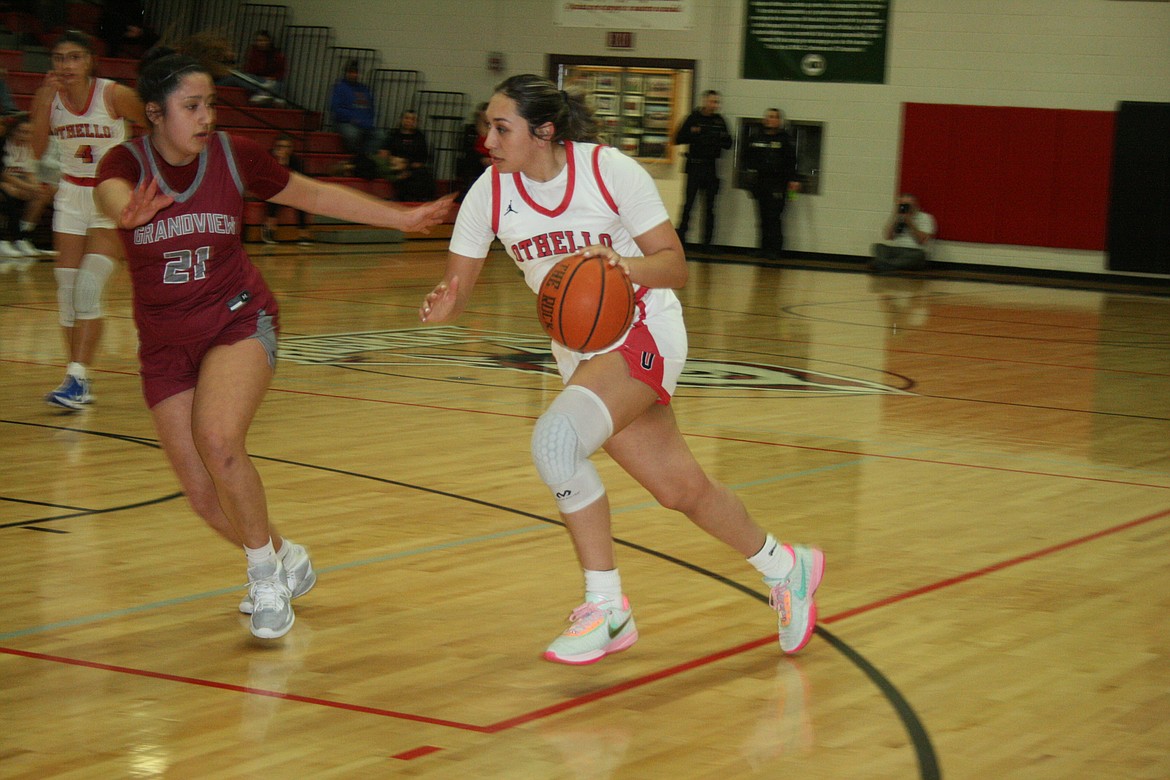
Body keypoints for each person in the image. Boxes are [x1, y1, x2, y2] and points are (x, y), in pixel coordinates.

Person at [419, 74, 824, 665]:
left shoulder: (610, 171)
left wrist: (625, 265)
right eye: (488, 127)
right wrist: (442, 304)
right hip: (581, 353)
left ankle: (607, 607)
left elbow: (675, 266)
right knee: (681, 490)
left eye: (501, 128)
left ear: (544, 131)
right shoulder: (489, 192)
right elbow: (459, 285)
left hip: (644, 327)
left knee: (556, 443)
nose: (489, 140)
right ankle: (786, 567)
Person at [93, 49, 453, 640]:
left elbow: (313, 195)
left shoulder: (235, 157)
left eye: (210, 103)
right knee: (206, 497)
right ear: (155, 114)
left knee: (219, 438)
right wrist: (124, 212)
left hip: (237, 320)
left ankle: (263, 579)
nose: (207, 116)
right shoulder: (124, 161)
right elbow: (109, 191)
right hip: (164, 347)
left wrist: (402, 218)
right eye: (192, 106)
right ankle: (285, 555)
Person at [30, 29, 147, 411]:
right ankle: (76, 376)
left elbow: (154, 119)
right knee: (66, 291)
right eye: (59, 58)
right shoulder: (50, 96)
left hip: (108, 194)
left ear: (90, 61)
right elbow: (36, 148)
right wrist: (45, 100)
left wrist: (145, 167)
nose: (66, 65)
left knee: (87, 287)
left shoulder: (113, 94)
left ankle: (78, 376)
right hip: (70, 195)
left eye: (74, 57)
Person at [674, 89, 732, 248]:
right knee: (688, 205)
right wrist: (695, 134)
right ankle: (681, 240)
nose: (715, 105)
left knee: (710, 207)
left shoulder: (720, 121)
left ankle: (708, 243)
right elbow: (678, 138)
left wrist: (717, 138)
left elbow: (728, 144)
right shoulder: (693, 118)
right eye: (713, 101)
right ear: (705, 101)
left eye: (717, 102)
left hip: (710, 166)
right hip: (694, 165)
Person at [744, 108, 800, 260]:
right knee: (762, 218)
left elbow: (792, 162)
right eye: (769, 117)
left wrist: (794, 181)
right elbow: (747, 159)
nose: (771, 120)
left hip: (778, 184)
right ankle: (762, 248)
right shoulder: (756, 138)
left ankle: (775, 250)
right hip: (760, 182)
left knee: (774, 218)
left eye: (775, 117)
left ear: (779, 121)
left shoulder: (785, 140)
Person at [0, 116, 57, 258]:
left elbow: (29, 172)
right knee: (10, 191)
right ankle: (6, 239)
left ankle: (25, 237)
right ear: (13, 132)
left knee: (42, 194)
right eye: (22, 132)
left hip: (19, 182)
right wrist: (28, 187)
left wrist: (34, 186)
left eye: (28, 132)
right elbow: (5, 175)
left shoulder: (27, 148)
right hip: (6, 181)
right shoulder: (4, 145)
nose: (25, 136)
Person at [329, 60, 379, 176]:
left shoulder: (364, 89)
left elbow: (371, 109)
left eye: (355, 72)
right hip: (345, 122)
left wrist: (368, 122)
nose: (354, 74)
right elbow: (335, 109)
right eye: (351, 72)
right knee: (353, 134)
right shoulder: (339, 88)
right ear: (346, 73)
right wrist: (352, 118)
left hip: (364, 123)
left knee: (379, 135)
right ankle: (357, 156)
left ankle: (364, 156)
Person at [261, 135, 312, 246]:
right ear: (275, 147)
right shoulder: (268, 157)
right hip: (268, 188)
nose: (284, 149)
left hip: (289, 189)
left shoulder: (295, 160)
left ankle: (303, 234)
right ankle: (269, 228)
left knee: (302, 200)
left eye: (287, 146)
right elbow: (266, 178)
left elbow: (301, 179)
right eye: (281, 146)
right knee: (275, 194)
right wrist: (280, 163)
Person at [378, 109, 435, 201]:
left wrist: (406, 164)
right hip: (395, 167)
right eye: (407, 118)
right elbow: (383, 154)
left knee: (422, 175)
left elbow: (422, 159)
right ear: (401, 120)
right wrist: (395, 163)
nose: (409, 121)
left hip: (413, 169)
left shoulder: (420, 137)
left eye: (413, 119)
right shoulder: (393, 135)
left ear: (417, 122)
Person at [870, 193, 936, 272]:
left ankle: (884, 264)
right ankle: (891, 265)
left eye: (908, 205)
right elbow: (888, 236)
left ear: (915, 205)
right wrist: (895, 216)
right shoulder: (899, 217)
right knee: (878, 247)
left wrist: (909, 222)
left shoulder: (925, 218)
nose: (905, 207)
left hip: (914, 251)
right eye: (903, 205)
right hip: (897, 251)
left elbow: (922, 241)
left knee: (919, 256)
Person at [454, 101, 490, 201]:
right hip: (475, 161)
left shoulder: (497, 130)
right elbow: (467, 149)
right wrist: (481, 158)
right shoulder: (471, 130)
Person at [240, 30, 286, 106]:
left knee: (280, 83)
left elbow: (281, 70)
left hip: (272, 79)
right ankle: (269, 94)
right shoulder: (252, 53)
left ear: (269, 41)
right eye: (259, 41)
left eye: (264, 40)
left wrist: (273, 77)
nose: (261, 43)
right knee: (247, 78)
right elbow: (250, 69)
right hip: (257, 78)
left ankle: (270, 95)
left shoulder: (276, 54)